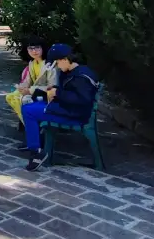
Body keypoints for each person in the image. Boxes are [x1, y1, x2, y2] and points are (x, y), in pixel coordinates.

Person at [21, 43, 100, 171]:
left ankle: (36, 153)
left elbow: (82, 99)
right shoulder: (71, 71)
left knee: (28, 111)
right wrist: (54, 91)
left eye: (57, 63)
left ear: (65, 59)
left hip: (74, 115)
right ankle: (36, 147)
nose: (56, 66)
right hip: (65, 108)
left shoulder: (82, 76)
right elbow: (67, 91)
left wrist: (57, 93)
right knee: (31, 105)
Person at [4, 39, 57, 126]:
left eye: (37, 48)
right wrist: (22, 86)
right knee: (10, 96)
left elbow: (52, 85)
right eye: (30, 48)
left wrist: (30, 90)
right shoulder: (32, 63)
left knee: (22, 99)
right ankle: (27, 122)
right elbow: (27, 81)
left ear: (43, 48)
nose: (34, 51)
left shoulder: (49, 65)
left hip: (45, 93)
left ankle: (31, 124)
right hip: (33, 91)